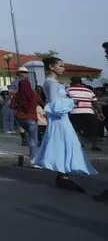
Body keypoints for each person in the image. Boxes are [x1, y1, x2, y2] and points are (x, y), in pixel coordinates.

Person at [32, 57, 97, 193]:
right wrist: (71, 102)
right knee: (63, 144)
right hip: (59, 119)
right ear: (51, 67)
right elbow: (54, 105)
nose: (63, 68)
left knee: (65, 144)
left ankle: (63, 175)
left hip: (62, 118)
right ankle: (63, 176)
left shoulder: (53, 82)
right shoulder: (51, 83)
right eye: (60, 66)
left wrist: (69, 101)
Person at [68, 76, 104, 151]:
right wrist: (100, 113)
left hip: (75, 112)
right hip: (89, 112)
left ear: (72, 82)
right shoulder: (89, 91)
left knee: (76, 129)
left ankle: (79, 144)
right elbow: (95, 103)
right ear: (81, 82)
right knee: (93, 130)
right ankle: (94, 146)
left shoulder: (68, 90)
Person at [14, 75, 42, 164]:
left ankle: (24, 140)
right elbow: (43, 105)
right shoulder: (35, 96)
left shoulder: (17, 95)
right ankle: (33, 159)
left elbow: (12, 106)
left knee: (27, 132)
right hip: (32, 119)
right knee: (33, 139)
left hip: (20, 119)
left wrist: (19, 107)